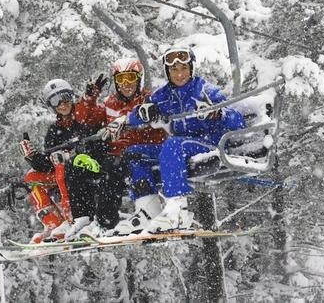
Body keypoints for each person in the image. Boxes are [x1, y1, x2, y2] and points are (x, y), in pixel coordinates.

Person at [116, 46, 247, 234]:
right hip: (180, 147)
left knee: (173, 144)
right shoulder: (164, 95)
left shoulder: (205, 90)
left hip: (208, 144)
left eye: (184, 68)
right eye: (174, 70)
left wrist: (218, 114)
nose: (179, 74)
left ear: (191, 68)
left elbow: (238, 122)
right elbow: (141, 112)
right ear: (167, 72)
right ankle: (148, 209)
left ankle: (178, 210)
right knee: (134, 153)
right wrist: (140, 114)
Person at [19, 77, 122, 242]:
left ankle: (72, 220)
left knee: (62, 168)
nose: (62, 104)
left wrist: (71, 155)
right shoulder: (54, 130)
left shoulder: (83, 118)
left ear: (71, 97)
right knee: (31, 178)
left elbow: (98, 144)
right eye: (55, 100)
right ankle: (53, 223)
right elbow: (47, 163)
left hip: (89, 166)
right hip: (66, 172)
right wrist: (33, 157)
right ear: (51, 106)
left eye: (65, 97)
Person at [101, 58, 167, 235]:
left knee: (132, 155)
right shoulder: (110, 104)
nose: (126, 84)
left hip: (155, 148)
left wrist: (138, 122)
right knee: (103, 167)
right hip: (127, 153)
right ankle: (101, 221)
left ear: (139, 79)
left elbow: (157, 121)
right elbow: (92, 121)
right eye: (120, 79)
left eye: (130, 78)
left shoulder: (148, 100)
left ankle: (148, 210)